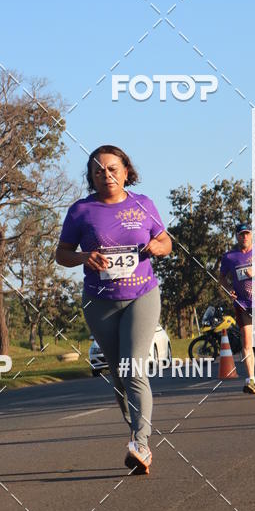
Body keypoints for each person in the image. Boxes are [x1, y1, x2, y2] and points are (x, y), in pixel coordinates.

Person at [55, 145, 171, 475]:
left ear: (125, 171)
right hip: (99, 300)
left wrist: (156, 248)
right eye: (98, 171)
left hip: (142, 295)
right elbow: (62, 254)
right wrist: (83, 257)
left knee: (133, 367)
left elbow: (166, 242)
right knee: (119, 373)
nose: (106, 175)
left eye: (112, 169)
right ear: (91, 178)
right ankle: (136, 431)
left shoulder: (143, 204)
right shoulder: (81, 211)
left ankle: (141, 442)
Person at [219, 224, 255, 394]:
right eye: (241, 234)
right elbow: (221, 278)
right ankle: (251, 379)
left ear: (251, 235)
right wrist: (229, 289)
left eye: (247, 234)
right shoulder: (229, 257)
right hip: (243, 304)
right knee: (246, 341)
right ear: (236, 236)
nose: (244, 237)